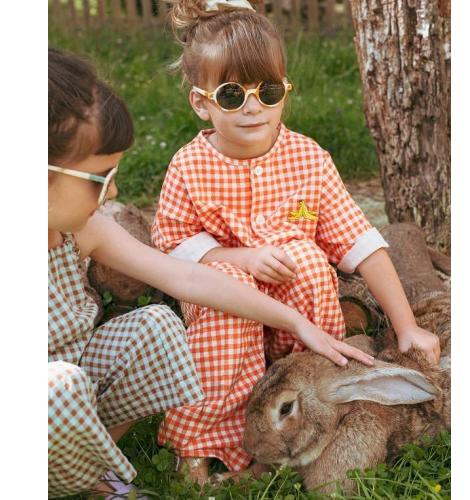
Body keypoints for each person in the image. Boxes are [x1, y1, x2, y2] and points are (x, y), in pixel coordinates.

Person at [48, 47, 373, 498]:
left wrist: (297, 323)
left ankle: (89, 466)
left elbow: (186, 278)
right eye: (100, 179)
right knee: (59, 385)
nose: (115, 191)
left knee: (156, 326)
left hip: (69, 399)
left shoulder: (82, 230)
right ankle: (82, 478)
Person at [151, 0, 441, 483]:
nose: (253, 107)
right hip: (229, 318)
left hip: (300, 319)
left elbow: (358, 240)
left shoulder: (308, 159)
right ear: (201, 102)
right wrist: (240, 257)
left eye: (267, 92)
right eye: (231, 95)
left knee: (305, 258)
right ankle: (205, 439)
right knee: (225, 283)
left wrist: (406, 324)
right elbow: (175, 245)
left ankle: (302, 411)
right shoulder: (189, 166)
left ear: (284, 90)